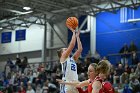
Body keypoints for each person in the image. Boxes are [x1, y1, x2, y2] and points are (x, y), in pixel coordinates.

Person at [57, 27, 83, 93]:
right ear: (61, 54)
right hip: (67, 83)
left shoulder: (72, 59)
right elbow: (72, 44)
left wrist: (77, 37)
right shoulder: (63, 58)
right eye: (65, 50)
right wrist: (73, 32)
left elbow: (80, 50)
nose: (67, 50)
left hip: (75, 83)